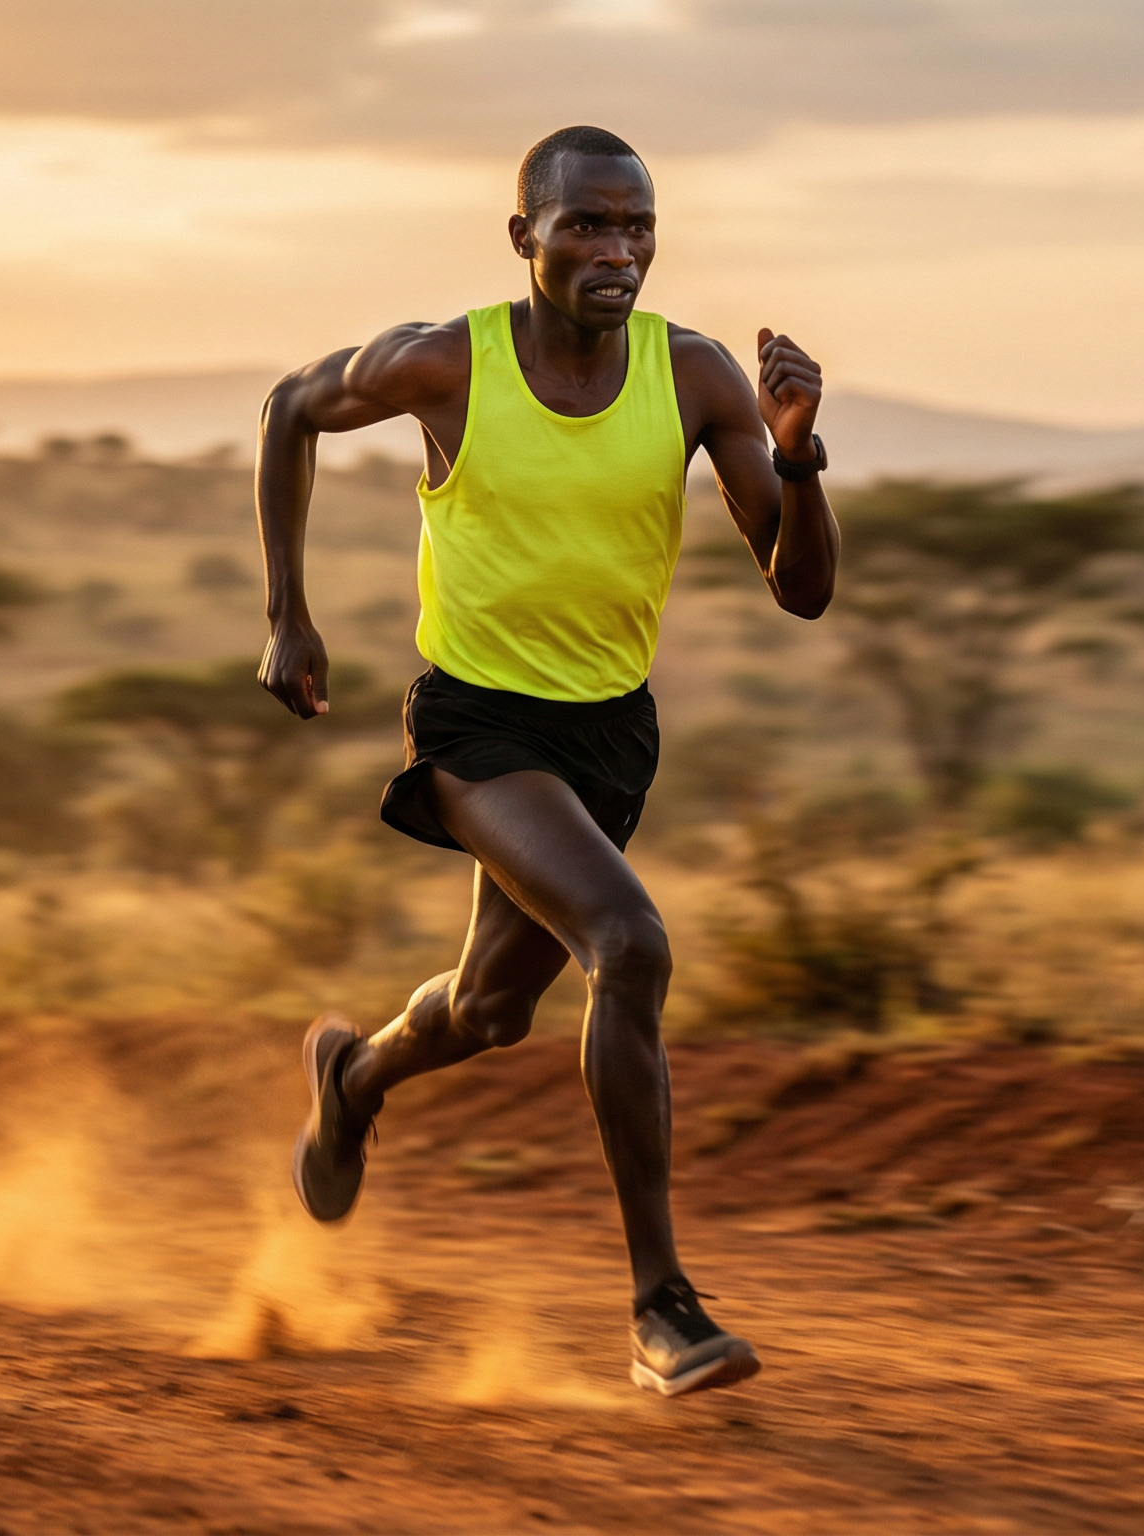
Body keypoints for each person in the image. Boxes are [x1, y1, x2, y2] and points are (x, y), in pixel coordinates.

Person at [254, 124, 839, 1398]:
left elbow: (799, 591)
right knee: (627, 945)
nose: (615, 250)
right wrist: (287, 613)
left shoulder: (691, 378)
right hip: (477, 726)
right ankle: (659, 1309)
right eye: (584, 225)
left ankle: (353, 1079)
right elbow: (288, 408)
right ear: (525, 237)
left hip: (608, 735)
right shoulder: (444, 364)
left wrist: (794, 452)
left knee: (487, 1011)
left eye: (635, 226)